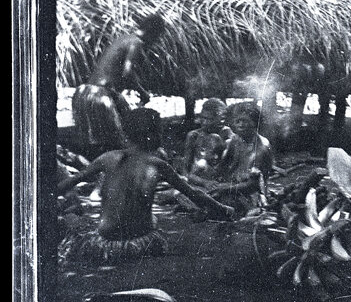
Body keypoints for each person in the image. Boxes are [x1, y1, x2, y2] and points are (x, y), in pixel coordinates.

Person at [57, 107, 235, 264]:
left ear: (126, 133)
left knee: (76, 220)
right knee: (153, 220)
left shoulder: (107, 157)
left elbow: (71, 181)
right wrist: (222, 208)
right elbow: (193, 193)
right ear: (154, 135)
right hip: (139, 243)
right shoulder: (157, 164)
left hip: (104, 244)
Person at [71, 14, 166, 158]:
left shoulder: (123, 39)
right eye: (157, 37)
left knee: (99, 146)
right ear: (153, 32)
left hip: (84, 93)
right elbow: (127, 73)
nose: (155, 42)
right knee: (120, 145)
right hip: (100, 96)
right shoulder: (136, 43)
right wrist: (142, 92)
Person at [200, 100, 274, 216]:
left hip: (252, 196)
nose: (240, 125)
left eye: (244, 121)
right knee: (200, 193)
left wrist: (224, 189)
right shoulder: (236, 140)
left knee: (211, 202)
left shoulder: (261, 147)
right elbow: (222, 166)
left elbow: (253, 185)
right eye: (238, 121)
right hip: (232, 187)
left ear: (255, 123)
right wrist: (210, 181)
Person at [180, 98, 232, 177]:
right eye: (203, 118)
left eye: (210, 119)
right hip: (196, 176)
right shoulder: (194, 135)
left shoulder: (228, 135)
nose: (204, 122)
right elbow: (186, 165)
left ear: (221, 120)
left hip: (219, 177)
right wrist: (185, 178)